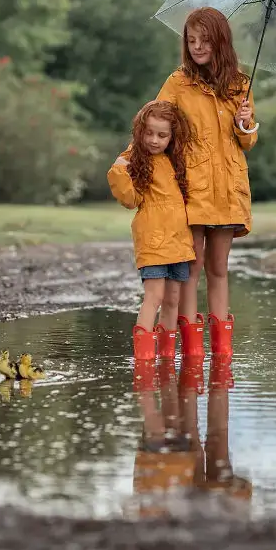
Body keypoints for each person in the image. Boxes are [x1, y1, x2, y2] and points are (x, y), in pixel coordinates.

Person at [155, 6, 259, 358]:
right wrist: (132, 158)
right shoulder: (178, 83)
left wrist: (245, 121)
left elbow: (246, 141)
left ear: (220, 41)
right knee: (191, 266)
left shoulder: (240, 85)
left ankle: (221, 350)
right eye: (191, 40)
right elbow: (155, 122)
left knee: (218, 266)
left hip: (229, 189)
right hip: (193, 187)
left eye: (205, 40)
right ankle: (192, 350)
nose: (198, 46)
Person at [107, 100, 195, 361]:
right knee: (154, 297)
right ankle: (144, 357)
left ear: (171, 136)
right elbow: (130, 200)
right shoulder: (136, 160)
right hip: (153, 241)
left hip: (179, 241)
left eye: (162, 135)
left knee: (172, 300)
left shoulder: (174, 161)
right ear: (139, 132)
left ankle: (166, 357)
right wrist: (119, 171)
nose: (154, 140)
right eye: (149, 133)